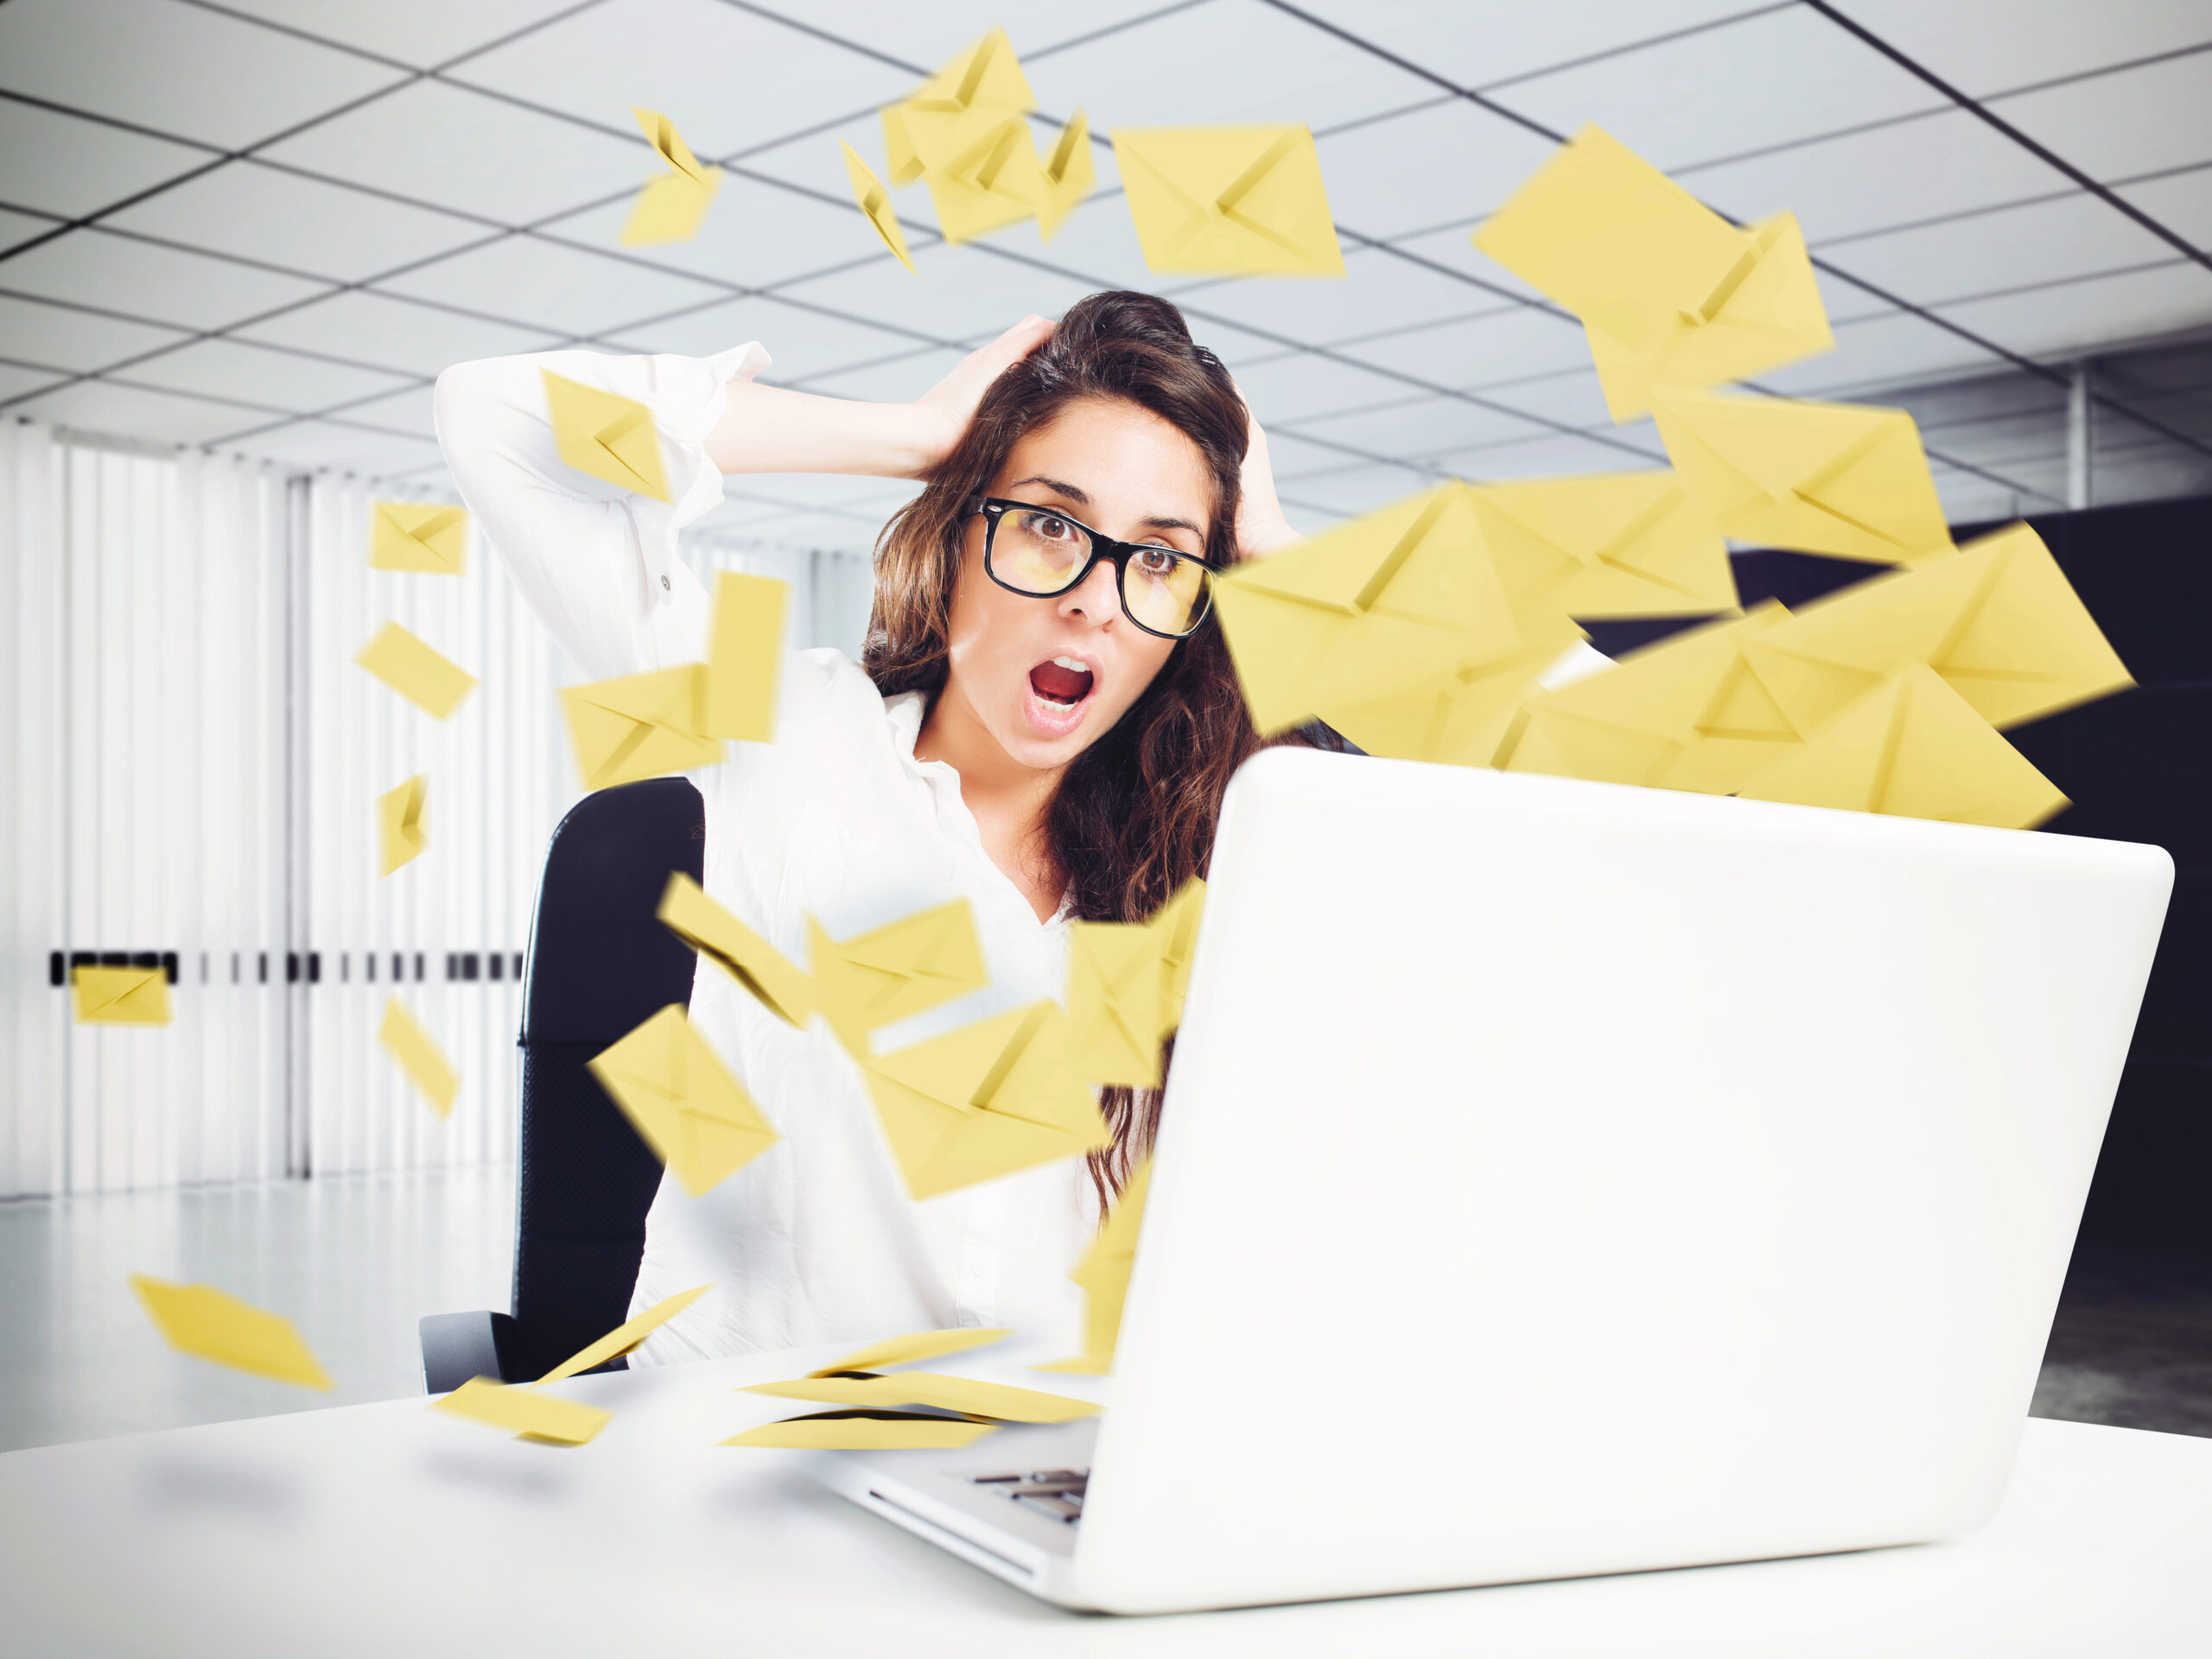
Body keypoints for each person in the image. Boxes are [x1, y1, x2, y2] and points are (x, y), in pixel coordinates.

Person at [436, 291, 1311, 1364]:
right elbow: (498, 420)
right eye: (1045, 522)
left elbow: (1573, 764)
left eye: (1160, 558)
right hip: (749, 1474)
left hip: (1049, 1483)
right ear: (951, 543)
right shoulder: (788, 728)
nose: (1095, 597)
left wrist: (1272, 549)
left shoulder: (1217, 857)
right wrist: (919, 438)